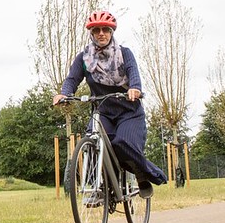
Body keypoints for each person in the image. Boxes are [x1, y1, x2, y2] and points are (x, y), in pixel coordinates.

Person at [52, 11, 167, 198]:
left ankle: (143, 174)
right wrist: (64, 94)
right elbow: (72, 79)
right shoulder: (84, 59)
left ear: (111, 31)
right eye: (96, 30)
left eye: (105, 29)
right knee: (91, 142)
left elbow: (133, 72)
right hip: (103, 112)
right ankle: (100, 187)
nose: (101, 33)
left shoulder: (124, 53)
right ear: (91, 33)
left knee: (122, 143)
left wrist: (135, 88)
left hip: (128, 111)